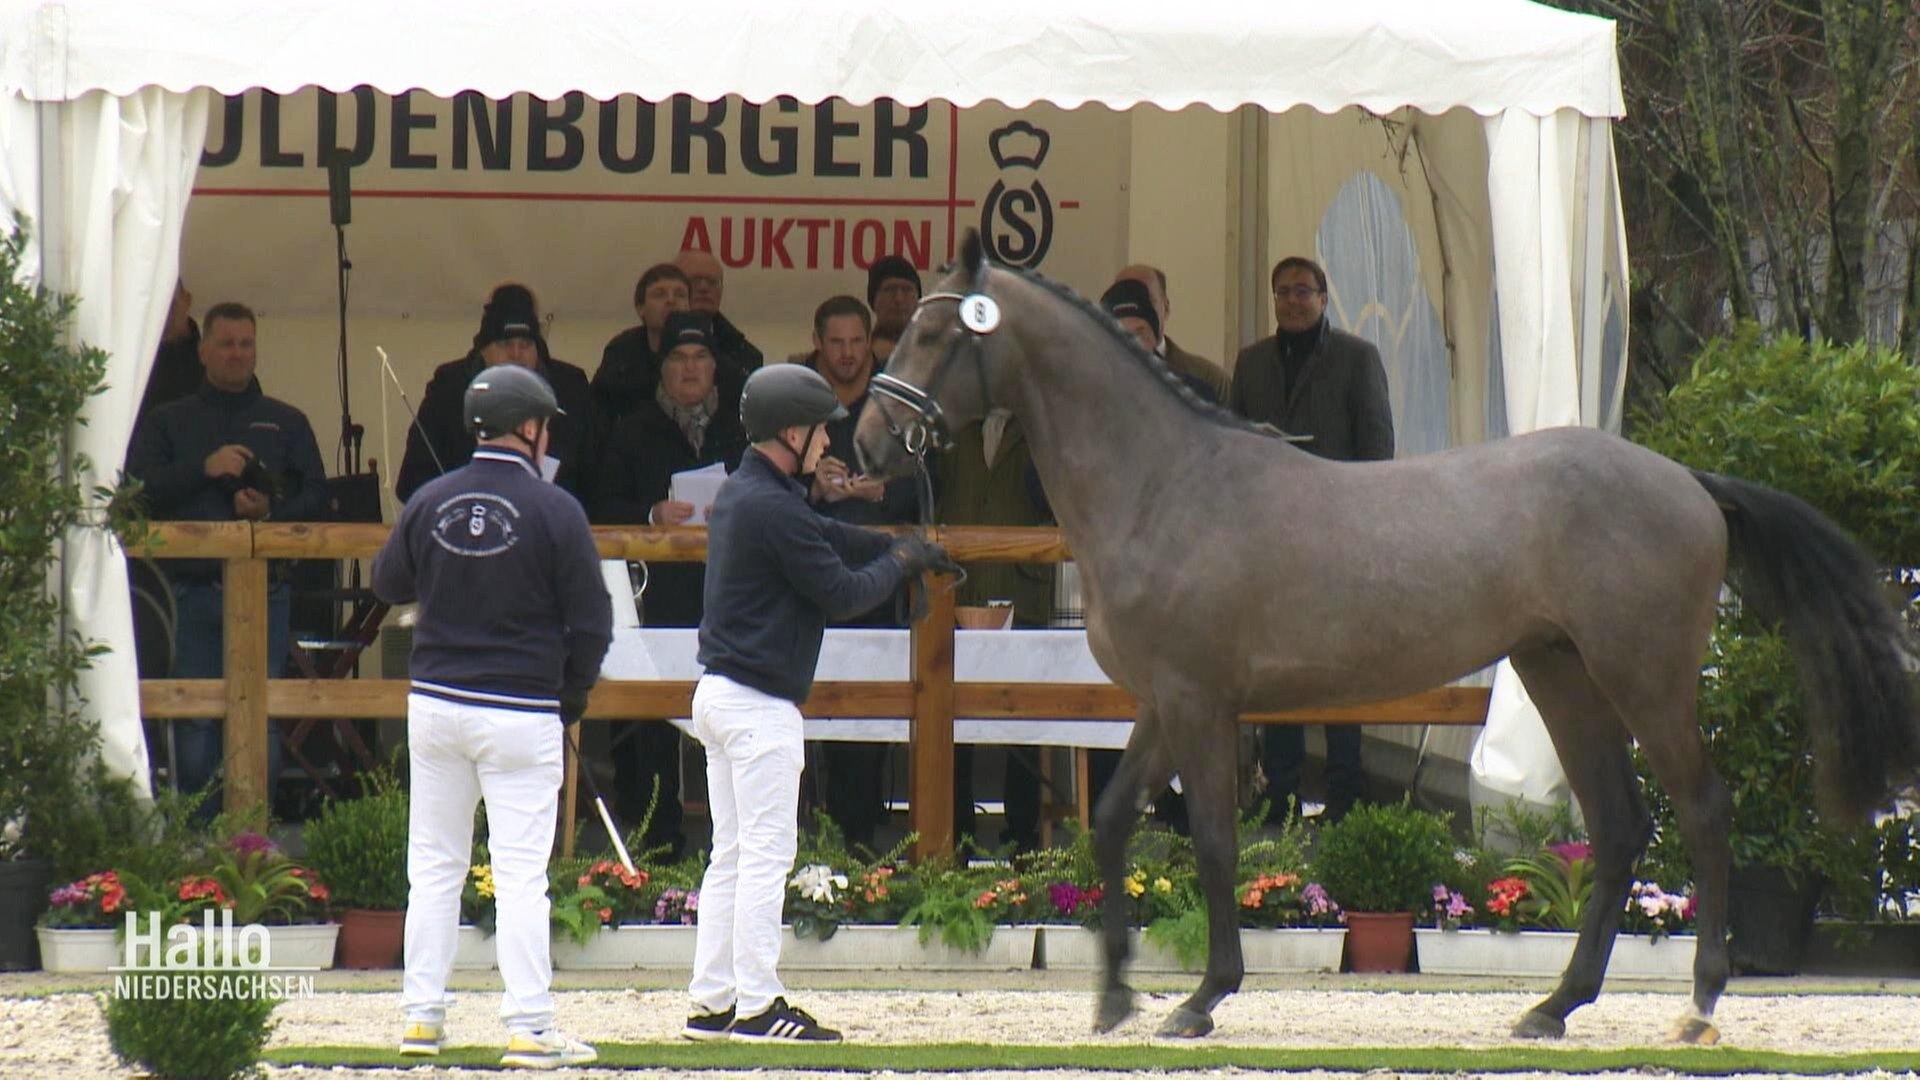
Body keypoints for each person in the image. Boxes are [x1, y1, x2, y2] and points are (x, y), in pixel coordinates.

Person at [685, 363, 952, 1043]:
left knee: (734, 856)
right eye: (822, 432)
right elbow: (839, 591)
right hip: (757, 706)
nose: (829, 445)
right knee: (765, 858)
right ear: (793, 431)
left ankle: (713, 1003)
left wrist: (899, 545)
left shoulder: (756, 493)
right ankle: (758, 1007)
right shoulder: (772, 506)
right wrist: (902, 564)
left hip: (723, 695)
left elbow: (830, 538)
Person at [373, 364, 612, 1069]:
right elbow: (592, 624)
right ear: (532, 428)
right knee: (520, 876)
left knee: (434, 867)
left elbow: (389, 583)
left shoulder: (429, 498)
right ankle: (529, 1025)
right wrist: (571, 697)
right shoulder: (556, 509)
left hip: (438, 704)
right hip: (521, 708)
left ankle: (421, 1016)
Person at [125, 302, 327, 811]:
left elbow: (320, 498)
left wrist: (270, 510)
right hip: (187, 594)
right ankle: (196, 847)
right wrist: (205, 468)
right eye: (226, 344)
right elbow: (135, 492)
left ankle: (253, 838)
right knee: (194, 722)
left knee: (264, 718)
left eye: (246, 344)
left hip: (266, 593)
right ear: (203, 350)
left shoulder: (287, 422)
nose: (237, 354)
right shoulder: (169, 422)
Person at [1229, 255, 1394, 824]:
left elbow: (1379, 454)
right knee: (1279, 670)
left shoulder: (1357, 358)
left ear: (1325, 297)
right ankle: (1281, 797)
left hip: (1338, 543)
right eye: (1282, 292)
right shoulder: (1250, 364)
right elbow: (1231, 449)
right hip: (1270, 547)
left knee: (1340, 672)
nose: (1292, 301)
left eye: (1303, 291)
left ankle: (1346, 795)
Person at [590, 311, 750, 857]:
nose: (690, 368)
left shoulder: (740, 429)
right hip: (657, 599)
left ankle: (732, 846)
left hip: (728, 599)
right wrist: (651, 514)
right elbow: (601, 508)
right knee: (654, 722)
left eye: (701, 357)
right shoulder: (632, 429)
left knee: (732, 717)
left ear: (715, 368)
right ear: (663, 368)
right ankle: (657, 844)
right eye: (679, 358)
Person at [805, 296, 919, 850]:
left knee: (870, 716)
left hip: (878, 581)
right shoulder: (800, 403)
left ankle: (862, 839)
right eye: (836, 343)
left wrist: (884, 490)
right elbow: (759, 478)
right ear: (819, 344)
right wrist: (814, 486)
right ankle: (809, 838)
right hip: (811, 581)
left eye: (856, 342)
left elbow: (929, 485)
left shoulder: (895, 403)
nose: (848, 354)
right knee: (808, 713)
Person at [934, 409, 1051, 855]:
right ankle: (955, 833)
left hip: (1020, 584)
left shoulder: (1040, 422)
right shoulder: (950, 424)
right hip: (958, 584)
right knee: (949, 711)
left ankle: (1023, 838)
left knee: (1021, 719)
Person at [395, 284, 600, 507]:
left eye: (526, 345)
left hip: (551, 528)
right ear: (483, 350)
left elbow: (598, 484)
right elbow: (412, 481)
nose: (516, 354)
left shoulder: (570, 389)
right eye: (505, 344)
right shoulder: (448, 389)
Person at [1113, 263, 1230, 402]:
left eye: (1147, 300)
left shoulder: (1209, 378)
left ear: (1166, 308)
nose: (1137, 308)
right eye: (1124, 299)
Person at [593, 262, 693, 423]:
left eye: (680, 295)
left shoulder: (709, 354)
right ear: (641, 308)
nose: (671, 301)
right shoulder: (621, 353)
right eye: (660, 294)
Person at [676, 247, 764, 401]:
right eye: (695, 280)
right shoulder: (640, 345)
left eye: (712, 282)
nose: (704, 288)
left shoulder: (747, 356)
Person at [136, 279, 202, 423]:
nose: (164, 312)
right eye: (156, 305)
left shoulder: (214, 361)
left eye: (171, 304)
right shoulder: (134, 364)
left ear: (187, 300)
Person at [866, 254, 922, 331]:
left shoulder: (936, 342)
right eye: (890, 290)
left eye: (907, 290)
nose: (899, 299)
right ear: (873, 299)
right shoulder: (854, 342)